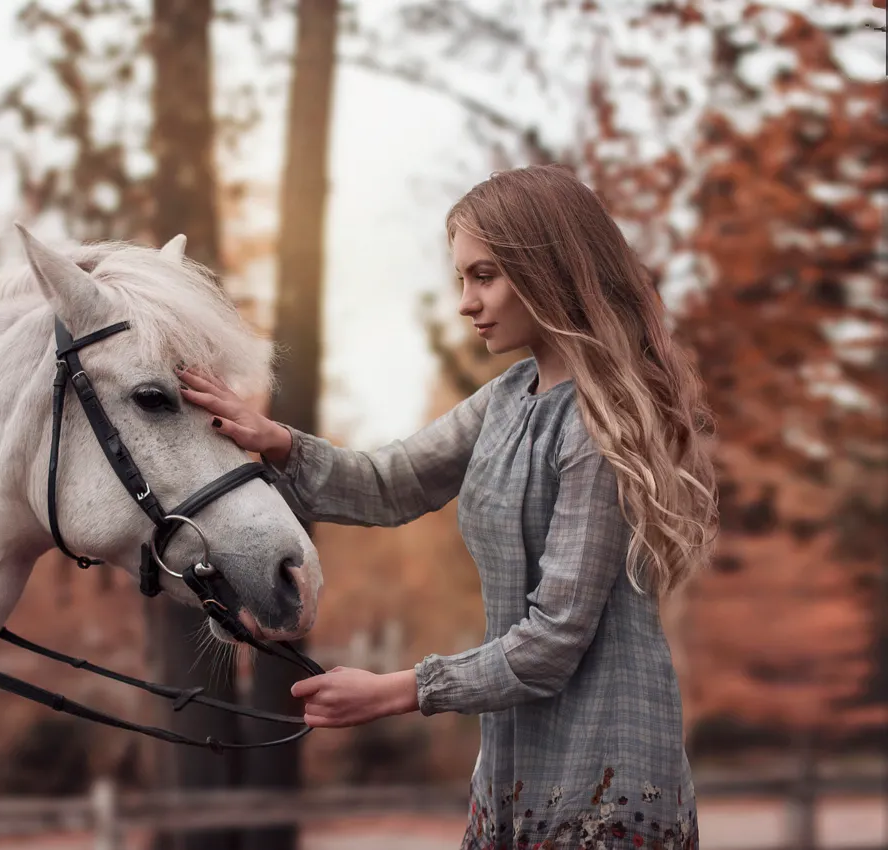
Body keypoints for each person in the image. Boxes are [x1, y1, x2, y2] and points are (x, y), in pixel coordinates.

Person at [176, 164, 718, 849]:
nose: (466, 302)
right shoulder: (508, 397)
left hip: (607, 771)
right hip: (513, 764)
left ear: (549, 269)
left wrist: (397, 691)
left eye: (484, 276)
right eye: (463, 278)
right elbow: (393, 482)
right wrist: (276, 440)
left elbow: (553, 641)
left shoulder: (595, 426)